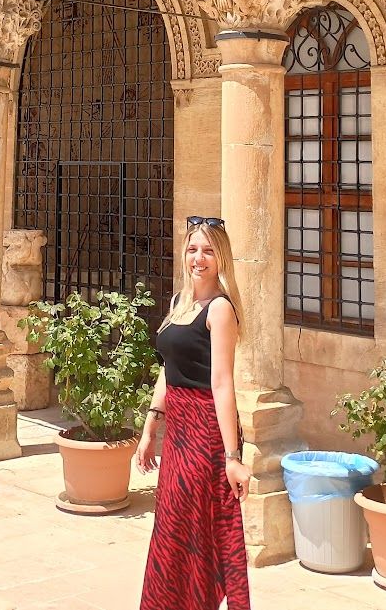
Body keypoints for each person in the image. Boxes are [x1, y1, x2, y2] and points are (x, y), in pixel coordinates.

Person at [136, 216, 252, 610]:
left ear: (221, 259)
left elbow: (222, 383)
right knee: (171, 528)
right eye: (192, 249)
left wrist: (232, 457)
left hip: (205, 434)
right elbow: (167, 371)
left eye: (207, 251)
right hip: (179, 434)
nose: (198, 258)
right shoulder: (178, 303)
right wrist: (151, 428)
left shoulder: (220, 309)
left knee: (193, 531)